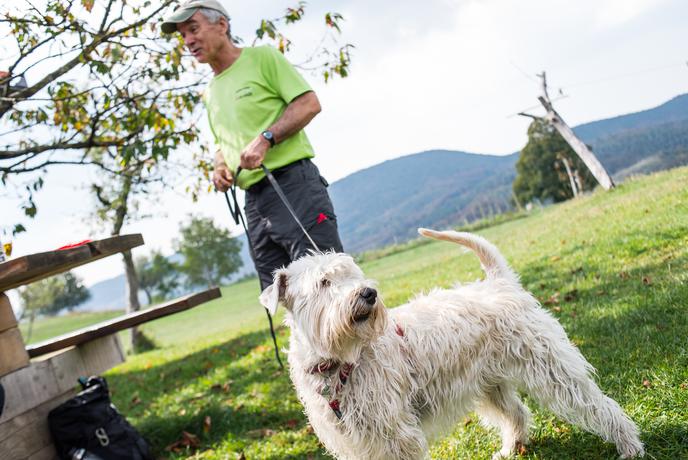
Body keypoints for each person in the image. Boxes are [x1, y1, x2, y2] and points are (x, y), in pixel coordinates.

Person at [162, 0, 344, 291]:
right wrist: (220, 166)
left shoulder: (263, 58)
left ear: (221, 25)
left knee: (330, 284)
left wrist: (266, 139)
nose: (188, 41)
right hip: (254, 202)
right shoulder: (210, 92)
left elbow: (308, 104)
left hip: (293, 186)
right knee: (280, 295)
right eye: (183, 35)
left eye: (193, 29)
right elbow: (223, 143)